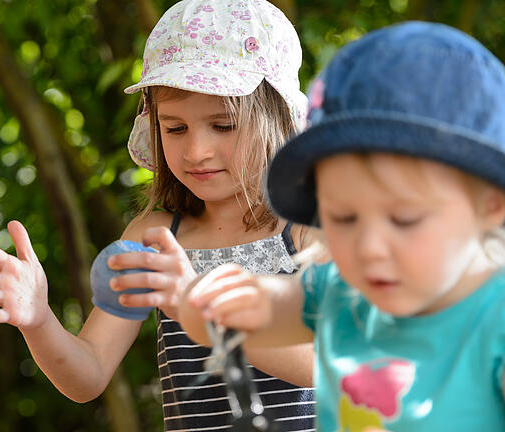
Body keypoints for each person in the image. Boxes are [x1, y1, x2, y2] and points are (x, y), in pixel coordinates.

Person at [0, 1, 316, 430]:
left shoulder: (310, 229)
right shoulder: (154, 236)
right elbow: (87, 376)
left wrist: (201, 308)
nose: (196, 151)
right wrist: (39, 320)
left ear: (277, 120)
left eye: (224, 124)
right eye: (175, 128)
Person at [180, 21, 505, 431]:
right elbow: (218, 315)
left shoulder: (494, 320)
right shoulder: (339, 295)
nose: (368, 247)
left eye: (404, 218)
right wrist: (215, 297)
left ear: (492, 206)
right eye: (343, 217)